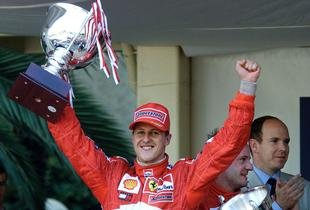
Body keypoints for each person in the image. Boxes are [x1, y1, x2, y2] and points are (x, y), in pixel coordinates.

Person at [47, 59, 261, 209]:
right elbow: (74, 145)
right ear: (133, 138)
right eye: (140, 132)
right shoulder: (112, 177)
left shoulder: (184, 179)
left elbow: (225, 145)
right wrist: (49, 89)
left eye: (155, 133)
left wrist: (246, 87)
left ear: (167, 139)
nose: (146, 139)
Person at [247, 115, 310, 210]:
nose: (283, 148)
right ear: (254, 146)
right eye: (274, 141)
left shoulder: (304, 188)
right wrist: (278, 207)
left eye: (286, 142)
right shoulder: (236, 190)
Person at [198, 143, 253, 209]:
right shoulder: (196, 203)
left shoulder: (252, 198)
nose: (250, 167)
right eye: (243, 159)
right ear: (220, 161)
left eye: (249, 160)